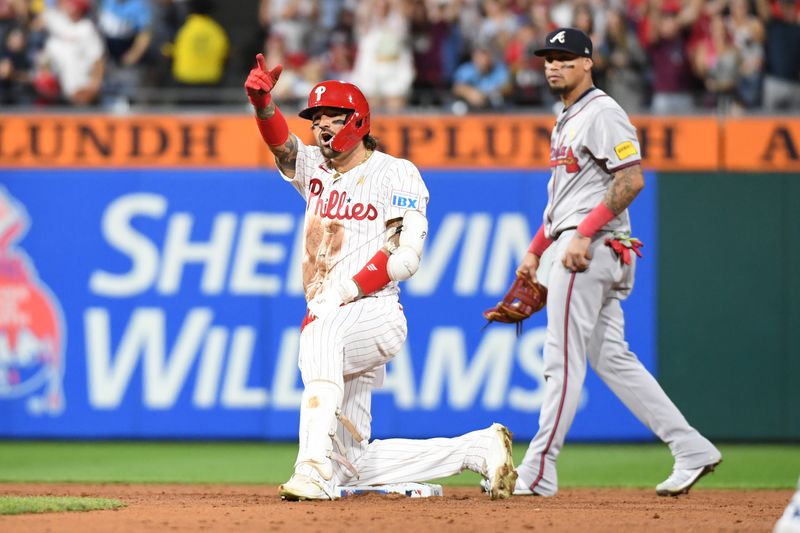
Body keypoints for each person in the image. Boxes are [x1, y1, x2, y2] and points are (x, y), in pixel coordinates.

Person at [243, 53, 517, 501]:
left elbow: (403, 256)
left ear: (357, 120)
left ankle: (309, 469)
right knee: (351, 465)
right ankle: (478, 449)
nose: (321, 127)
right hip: (333, 312)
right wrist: (262, 107)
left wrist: (344, 292)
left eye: (331, 117)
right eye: (315, 120)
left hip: (375, 311)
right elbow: (283, 147)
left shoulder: (396, 172)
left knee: (319, 336)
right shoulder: (316, 170)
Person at [510, 27, 722, 497]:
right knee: (613, 358)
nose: (553, 65)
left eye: (565, 57)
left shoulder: (603, 112)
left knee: (561, 362)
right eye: (548, 57)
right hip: (585, 243)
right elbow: (568, 200)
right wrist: (534, 250)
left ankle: (539, 470)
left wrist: (582, 236)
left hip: (592, 248)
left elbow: (631, 180)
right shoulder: (566, 117)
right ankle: (690, 447)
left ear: (588, 62)